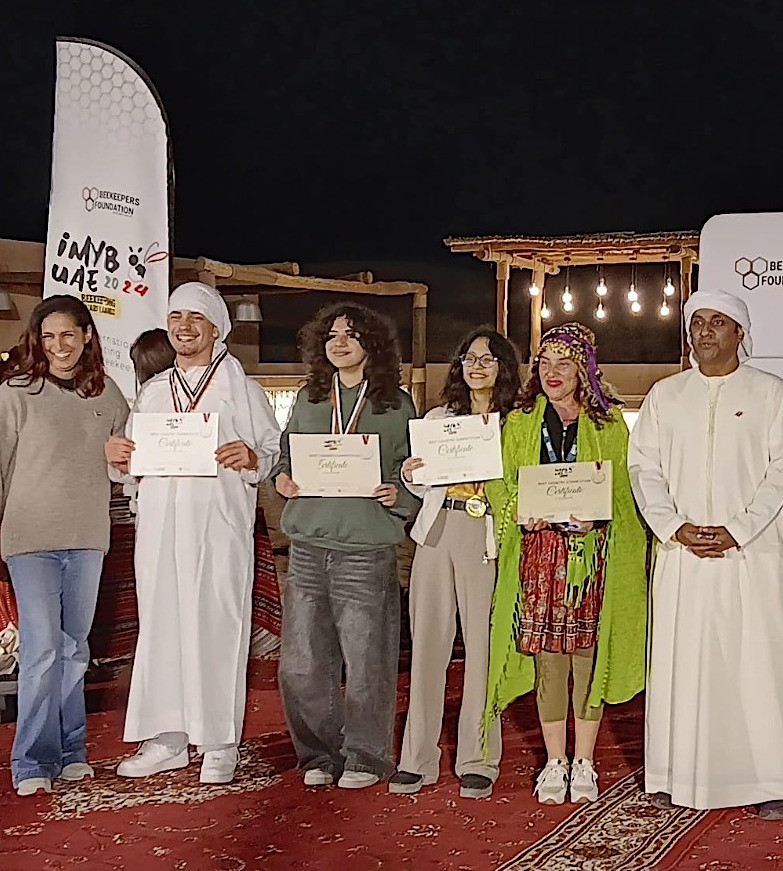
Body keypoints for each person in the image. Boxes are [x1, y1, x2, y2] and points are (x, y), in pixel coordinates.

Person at [628, 290, 783, 820]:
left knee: (756, 663)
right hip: (682, 555)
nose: (704, 332)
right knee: (683, 663)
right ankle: (675, 772)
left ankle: (769, 780)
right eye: (697, 322)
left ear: (740, 333)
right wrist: (674, 526)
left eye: (718, 323)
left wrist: (738, 529)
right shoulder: (666, 395)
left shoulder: (770, 393)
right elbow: (644, 468)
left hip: (751, 555)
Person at [105, 282, 282, 785]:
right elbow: (130, 463)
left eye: (195, 318)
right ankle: (166, 738)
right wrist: (119, 457)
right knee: (161, 627)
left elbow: (272, 450)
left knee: (217, 627)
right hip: (160, 528)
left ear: (216, 328)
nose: (183, 327)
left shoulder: (241, 389)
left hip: (217, 528)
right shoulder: (154, 391)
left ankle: (219, 742)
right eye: (175, 317)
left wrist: (254, 457)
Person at [483, 323, 646, 805]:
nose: (552, 373)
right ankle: (555, 761)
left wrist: (597, 518)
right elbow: (501, 483)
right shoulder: (520, 422)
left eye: (564, 363)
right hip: (538, 556)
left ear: (584, 370)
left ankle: (585, 761)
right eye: (545, 363)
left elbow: (624, 492)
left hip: (591, 557)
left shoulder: (608, 424)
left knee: (587, 659)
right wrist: (521, 511)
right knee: (549, 662)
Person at [0, 295, 129, 796]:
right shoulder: (15, 393)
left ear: (87, 336)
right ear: (36, 341)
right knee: (42, 650)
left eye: (68, 334)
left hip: (87, 538)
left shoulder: (108, 395)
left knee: (74, 649)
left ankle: (70, 752)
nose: (59, 346)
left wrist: (123, 460)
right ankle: (31, 762)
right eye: (48, 337)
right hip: (31, 539)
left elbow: (124, 467)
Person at [272, 303, 418, 790]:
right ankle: (318, 753)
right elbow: (286, 455)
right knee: (301, 662)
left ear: (372, 345)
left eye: (351, 335)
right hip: (308, 545)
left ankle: (366, 756)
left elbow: (413, 468)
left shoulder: (396, 405)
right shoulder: (309, 398)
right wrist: (283, 478)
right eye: (332, 335)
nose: (339, 342)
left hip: (365, 548)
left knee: (367, 660)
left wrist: (401, 494)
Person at [391, 327, 521, 799]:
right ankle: (417, 759)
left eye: (487, 359)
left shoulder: (516, 421)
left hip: (483, 533)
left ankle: (478, 758)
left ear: (504, 367)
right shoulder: (440, 417)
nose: (477, 367)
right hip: (437, 529)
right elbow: (422, 479)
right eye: (469, 358)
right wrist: (411, 473)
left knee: (483, 648)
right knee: (427, 644)